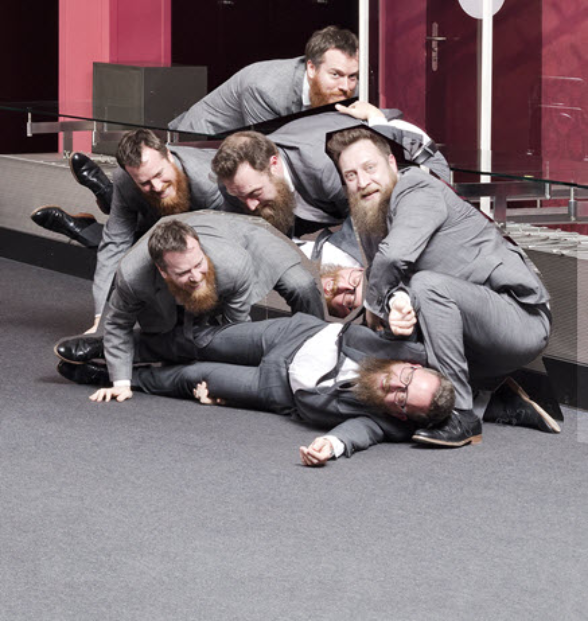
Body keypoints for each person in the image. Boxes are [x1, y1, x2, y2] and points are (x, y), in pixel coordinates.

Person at [58, 313, 560, 464]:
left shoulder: (383, 420)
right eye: (406, 378)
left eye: (402, 399)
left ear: (403, 414)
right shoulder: (405, 348)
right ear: (412, 365)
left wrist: (330, 446)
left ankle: (112, 376)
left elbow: (358, 434)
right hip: (292, 334)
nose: (396, 385)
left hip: (275, 386)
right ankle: (113, 346)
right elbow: (393, 307)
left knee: (193, 376)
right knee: (200, 341)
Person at [326, 126, 554, 447]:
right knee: (366, 343)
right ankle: (489, 398)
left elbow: (393, 259)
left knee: (425, 288)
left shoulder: (417, 188)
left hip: (520, 320)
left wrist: (377, 310)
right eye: (351, 175)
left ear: (391, 164)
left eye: (369, 167)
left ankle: (462, 414)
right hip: (468, 332)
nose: (362, 182)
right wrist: (394, 308)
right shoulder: (370, 212)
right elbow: (390, 280)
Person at [54, 212, 326, 396]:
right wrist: (121, 383)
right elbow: (117, 323)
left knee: (299, 286)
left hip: (237, 236)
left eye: (198, 264)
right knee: (186, 340)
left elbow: (235, 332)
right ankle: (117, 359)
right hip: (277, 363)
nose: (196, 276)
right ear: (163, 271)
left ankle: (112, 362)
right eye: (185, 271)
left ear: (201, 251)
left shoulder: (231, 264)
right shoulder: (133, 275)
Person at [32, 129, 241, 331]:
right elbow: (115, 243)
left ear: (168, 155)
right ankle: (106, 196)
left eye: (159, 174)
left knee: (156, 255)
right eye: (145, 181)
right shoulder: (125, 178)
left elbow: (224, 246)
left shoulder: (210, 182)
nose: (157, 186)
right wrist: (99, 316)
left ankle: (88, 223)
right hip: (156, 215)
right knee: (128, 228)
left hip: (206, 223)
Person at [211, 105, 448, 238]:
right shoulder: (235, 182)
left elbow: (369, 230)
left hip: (409, 153)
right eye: (239, 196)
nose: (250, 205)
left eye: (255, 193)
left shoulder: (328, 168)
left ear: (274, 164)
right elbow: (245, 235)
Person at [168, 26, 360, 134]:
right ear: (311, 68)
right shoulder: (265, 89)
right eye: (335, 75)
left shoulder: (353, 88)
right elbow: (266, 151)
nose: (346, 87)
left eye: (352, 76)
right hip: (204, 138)